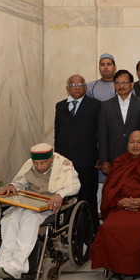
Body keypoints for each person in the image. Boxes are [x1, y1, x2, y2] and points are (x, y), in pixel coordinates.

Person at [0, 144, 80, 280]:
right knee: (9, 219)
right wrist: (13, 186)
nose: (39, 166)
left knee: (29, 219)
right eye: (36, 163)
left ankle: (16, 267)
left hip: (49, 206)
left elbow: (76, 185)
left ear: (51, 158)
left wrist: (60, 194)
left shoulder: (64, 164)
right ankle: (0, 267)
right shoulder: (30, 165)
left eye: (43, 162)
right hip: (29, 202)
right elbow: (21, 182)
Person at [90, 131, 140, 280]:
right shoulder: (119, 162)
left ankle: (139, 269)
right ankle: (116, 269)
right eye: (132, 142)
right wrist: (119, 202)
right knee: (110, 227)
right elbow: (109, 190)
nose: (135, 146)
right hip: (121, 206)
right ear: (127, 144)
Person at [54, 74, 102, 230]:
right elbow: (58, 133)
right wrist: (56, 158)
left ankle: (90, 232)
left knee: (88, 197)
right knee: (68, 198)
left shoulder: (95, 105)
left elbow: (101, 133)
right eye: (73, 85)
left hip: (87, 161)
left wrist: (101, 155)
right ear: (67, 89)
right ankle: (71, 230)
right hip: (66, 163)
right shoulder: (60, 106)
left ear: (85, 87)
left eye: (80, 84)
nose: (77, 88)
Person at [98, 70, 140, 175]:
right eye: (118, 83)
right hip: (114, 158)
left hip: (137, 157)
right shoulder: (106, 106)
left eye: (125, 82)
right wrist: (104, 159)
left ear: (132, 84)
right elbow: (102, 134)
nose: (121, 86)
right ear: (114, 85)